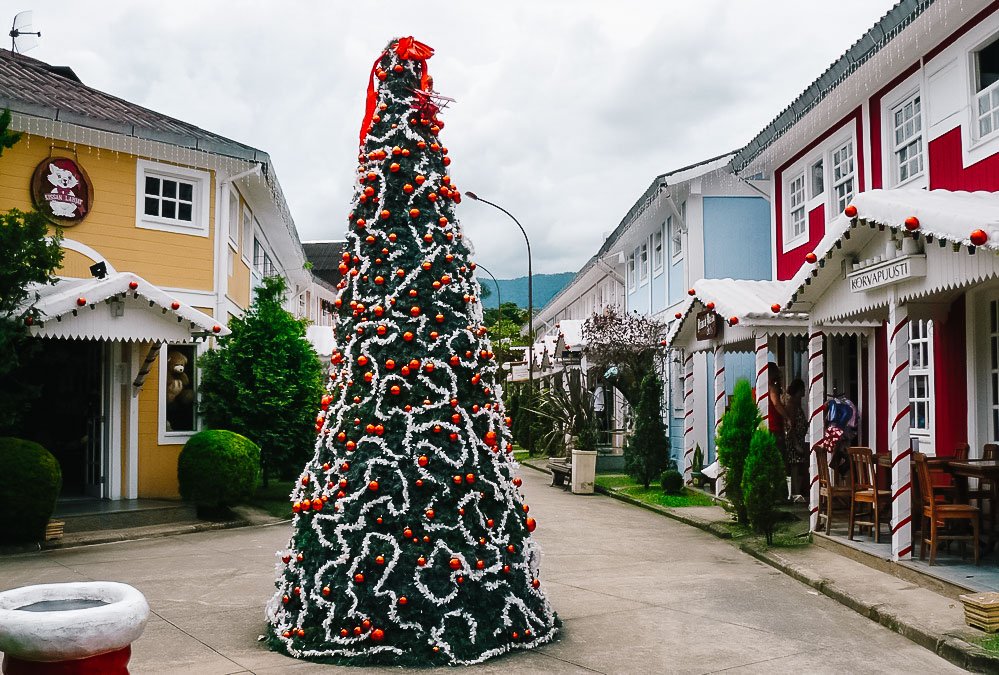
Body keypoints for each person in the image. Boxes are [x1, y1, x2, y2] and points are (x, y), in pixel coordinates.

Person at [783, 378, 808, 500]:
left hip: (800, 439)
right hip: (794, 440)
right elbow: (791, 425)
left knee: (799, 466)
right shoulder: (791, 404)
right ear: (798, 390)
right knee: (795, 466)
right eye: (802, 388)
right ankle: (795, 493)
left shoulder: (797, 403)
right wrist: (796, 443)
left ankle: (798, 492)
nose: (804, 391)